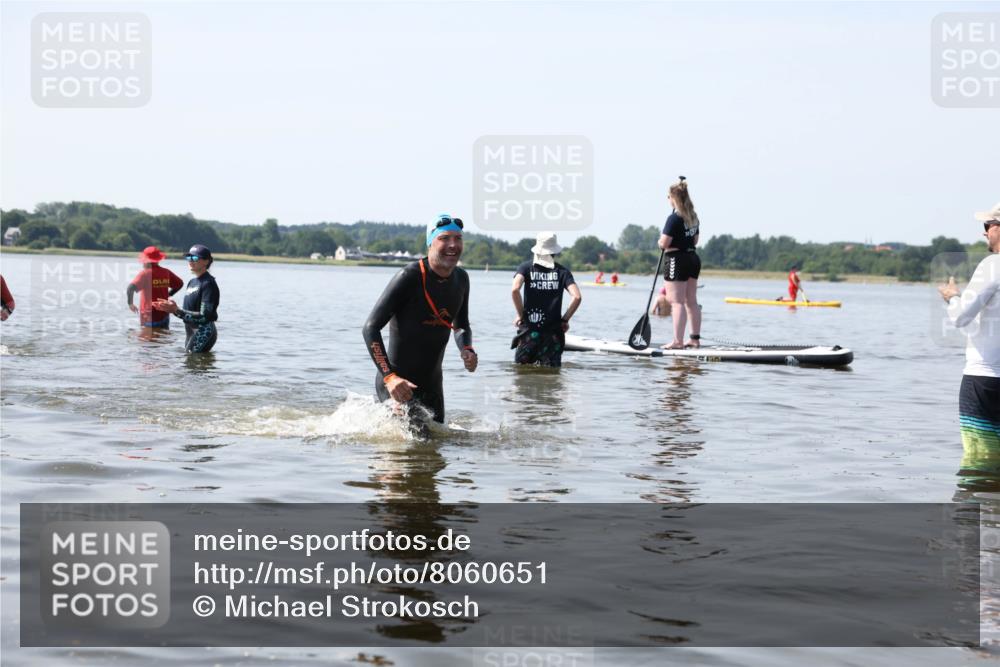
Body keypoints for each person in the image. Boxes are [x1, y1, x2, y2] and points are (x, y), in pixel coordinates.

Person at [362, 214, 477, 424]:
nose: (453, 245)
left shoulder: (461, 279)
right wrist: (389, 377)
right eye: (444, 238)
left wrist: (467, 348)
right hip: (398, 384)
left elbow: (461, 325)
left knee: (435, 446)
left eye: (458, 238)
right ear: (430, 242)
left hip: (433, 386)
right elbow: (370, 328)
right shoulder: (410, 276)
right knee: (405, 451)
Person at [937, 202, 1000, 486]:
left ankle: (977, 528)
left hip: (984, 380)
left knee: (979, 466)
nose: (984, 233)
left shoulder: (992, 266)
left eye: (987, 226)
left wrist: (952, 296)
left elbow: (962, 317)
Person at [511, 231, 582, 367]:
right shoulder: (563, 272)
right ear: (554, 252)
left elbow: (515, 289)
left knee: (521, 375)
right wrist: (565, 319)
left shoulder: (525, 268)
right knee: (552, 377)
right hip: (553, 335)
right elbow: (577, 297)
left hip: (529, 333)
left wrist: (521, 315)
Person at [658, 176, 701, 349]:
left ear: (674, 198)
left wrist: (659, 242)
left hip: (676, 259)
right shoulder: (693, 216)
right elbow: (695, 240)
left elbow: (664, 243)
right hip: (693, 258)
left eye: (668, 196)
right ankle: (694, 339)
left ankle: (677, 341)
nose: (667, 199)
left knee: (676, 302)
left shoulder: (673, 218)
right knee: (691, 301)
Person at [153, 244, 220, 353]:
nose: (190, 261)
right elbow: (186, 312)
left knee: (192, 365)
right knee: (190, 365)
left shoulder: (208, 284)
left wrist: (176, 310)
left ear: (206, 261)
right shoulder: (192, 282)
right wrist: (171, 309)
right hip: (190, 331)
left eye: (194, 258)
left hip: (204, 332)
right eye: (188, 257)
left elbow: (205, 317)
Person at [126, 246, 184, 329]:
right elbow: (180, 284)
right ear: (158, 260)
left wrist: (130, 303)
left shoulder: (145, 274)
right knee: (163, 336)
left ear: (146, 261)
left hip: (148, 314)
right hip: (164, 313)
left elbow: (130, 288)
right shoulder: (166, 272)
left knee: (147, 339)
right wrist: (169, 294)